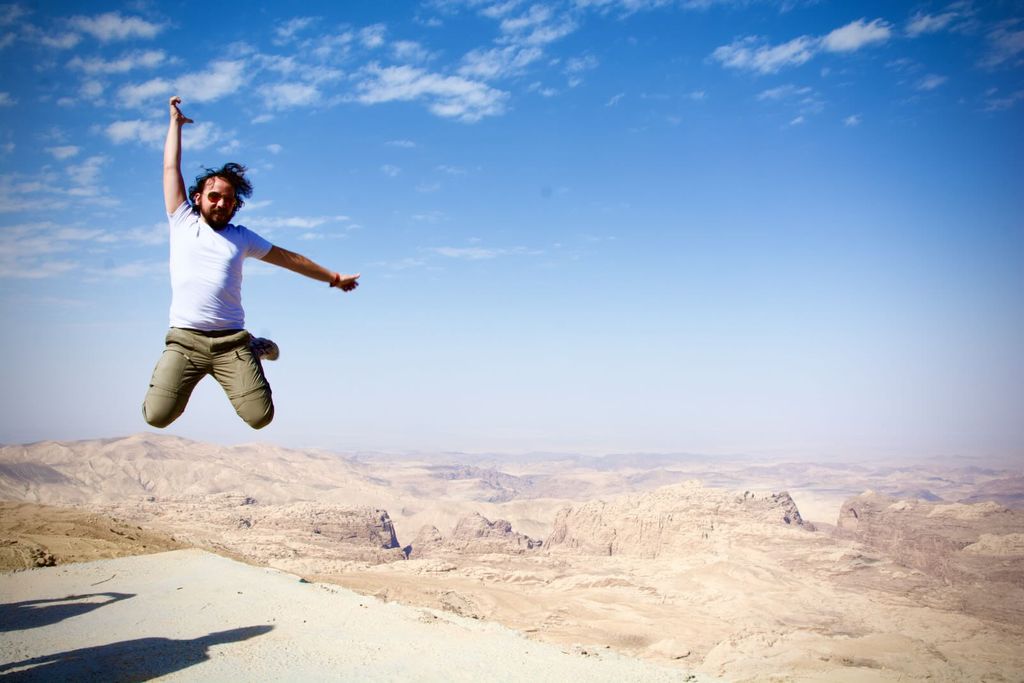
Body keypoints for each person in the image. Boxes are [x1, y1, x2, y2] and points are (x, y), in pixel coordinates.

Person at [142, 96, 359, 430]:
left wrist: (333, 277)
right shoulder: (182, 220)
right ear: (198, 198)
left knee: (260, 417)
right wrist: (175, 124)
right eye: (214, 196)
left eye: (228, 200)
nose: (221, 203)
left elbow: (289, 259)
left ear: (235, 206)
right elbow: (171, 168)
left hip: (231, 343)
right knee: (157, 416)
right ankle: (231, 357)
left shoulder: (241, 237)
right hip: (185, 341)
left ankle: (253, 349)